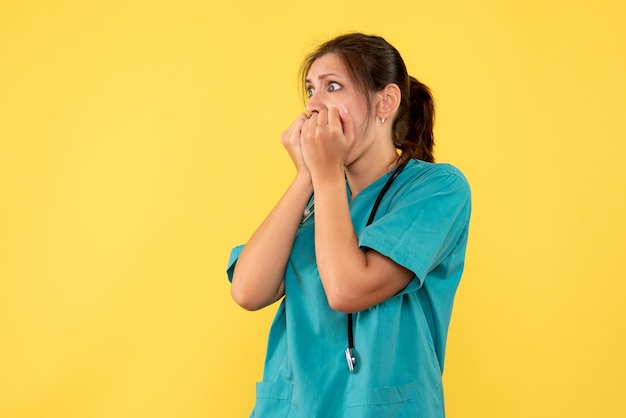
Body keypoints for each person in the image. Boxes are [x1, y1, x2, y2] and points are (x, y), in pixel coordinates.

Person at [226, 32, 471, 418]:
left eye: (333, 87)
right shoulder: (314, 197)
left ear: (385, 102)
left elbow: (346, 290)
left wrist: (323, 175)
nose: (313, 107)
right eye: (310, 91)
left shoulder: (437, 189)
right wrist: (305, 177)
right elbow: (247, 291)